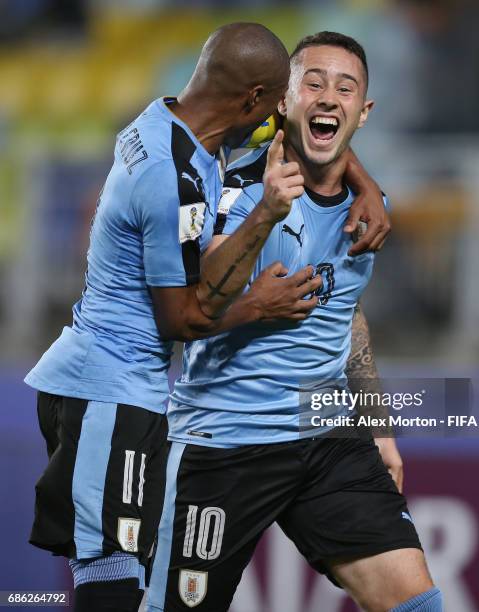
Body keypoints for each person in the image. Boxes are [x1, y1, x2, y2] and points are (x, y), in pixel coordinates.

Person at [24, 23, 388, 612]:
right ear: (254, 100)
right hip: (108, 390)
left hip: (107, 384)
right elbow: (179, 320)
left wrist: (363, 183)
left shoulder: (173, 122)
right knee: (111, 584)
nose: (285, 116)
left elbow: (317, 134)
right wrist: (258, 302)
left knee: (120, 570)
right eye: (279, 100)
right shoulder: (172, 181)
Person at [145, 32, 442, 612]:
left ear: (364, 111)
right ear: (284, 101)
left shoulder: (368, 213)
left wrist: (377, 426)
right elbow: (189, 307)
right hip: (225, 441)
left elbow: (348, 319)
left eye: (345, 88)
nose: (329, 97)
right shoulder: (238, 191)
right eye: (314, 83)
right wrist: (259, 288)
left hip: (327, 436)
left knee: (417, 603)